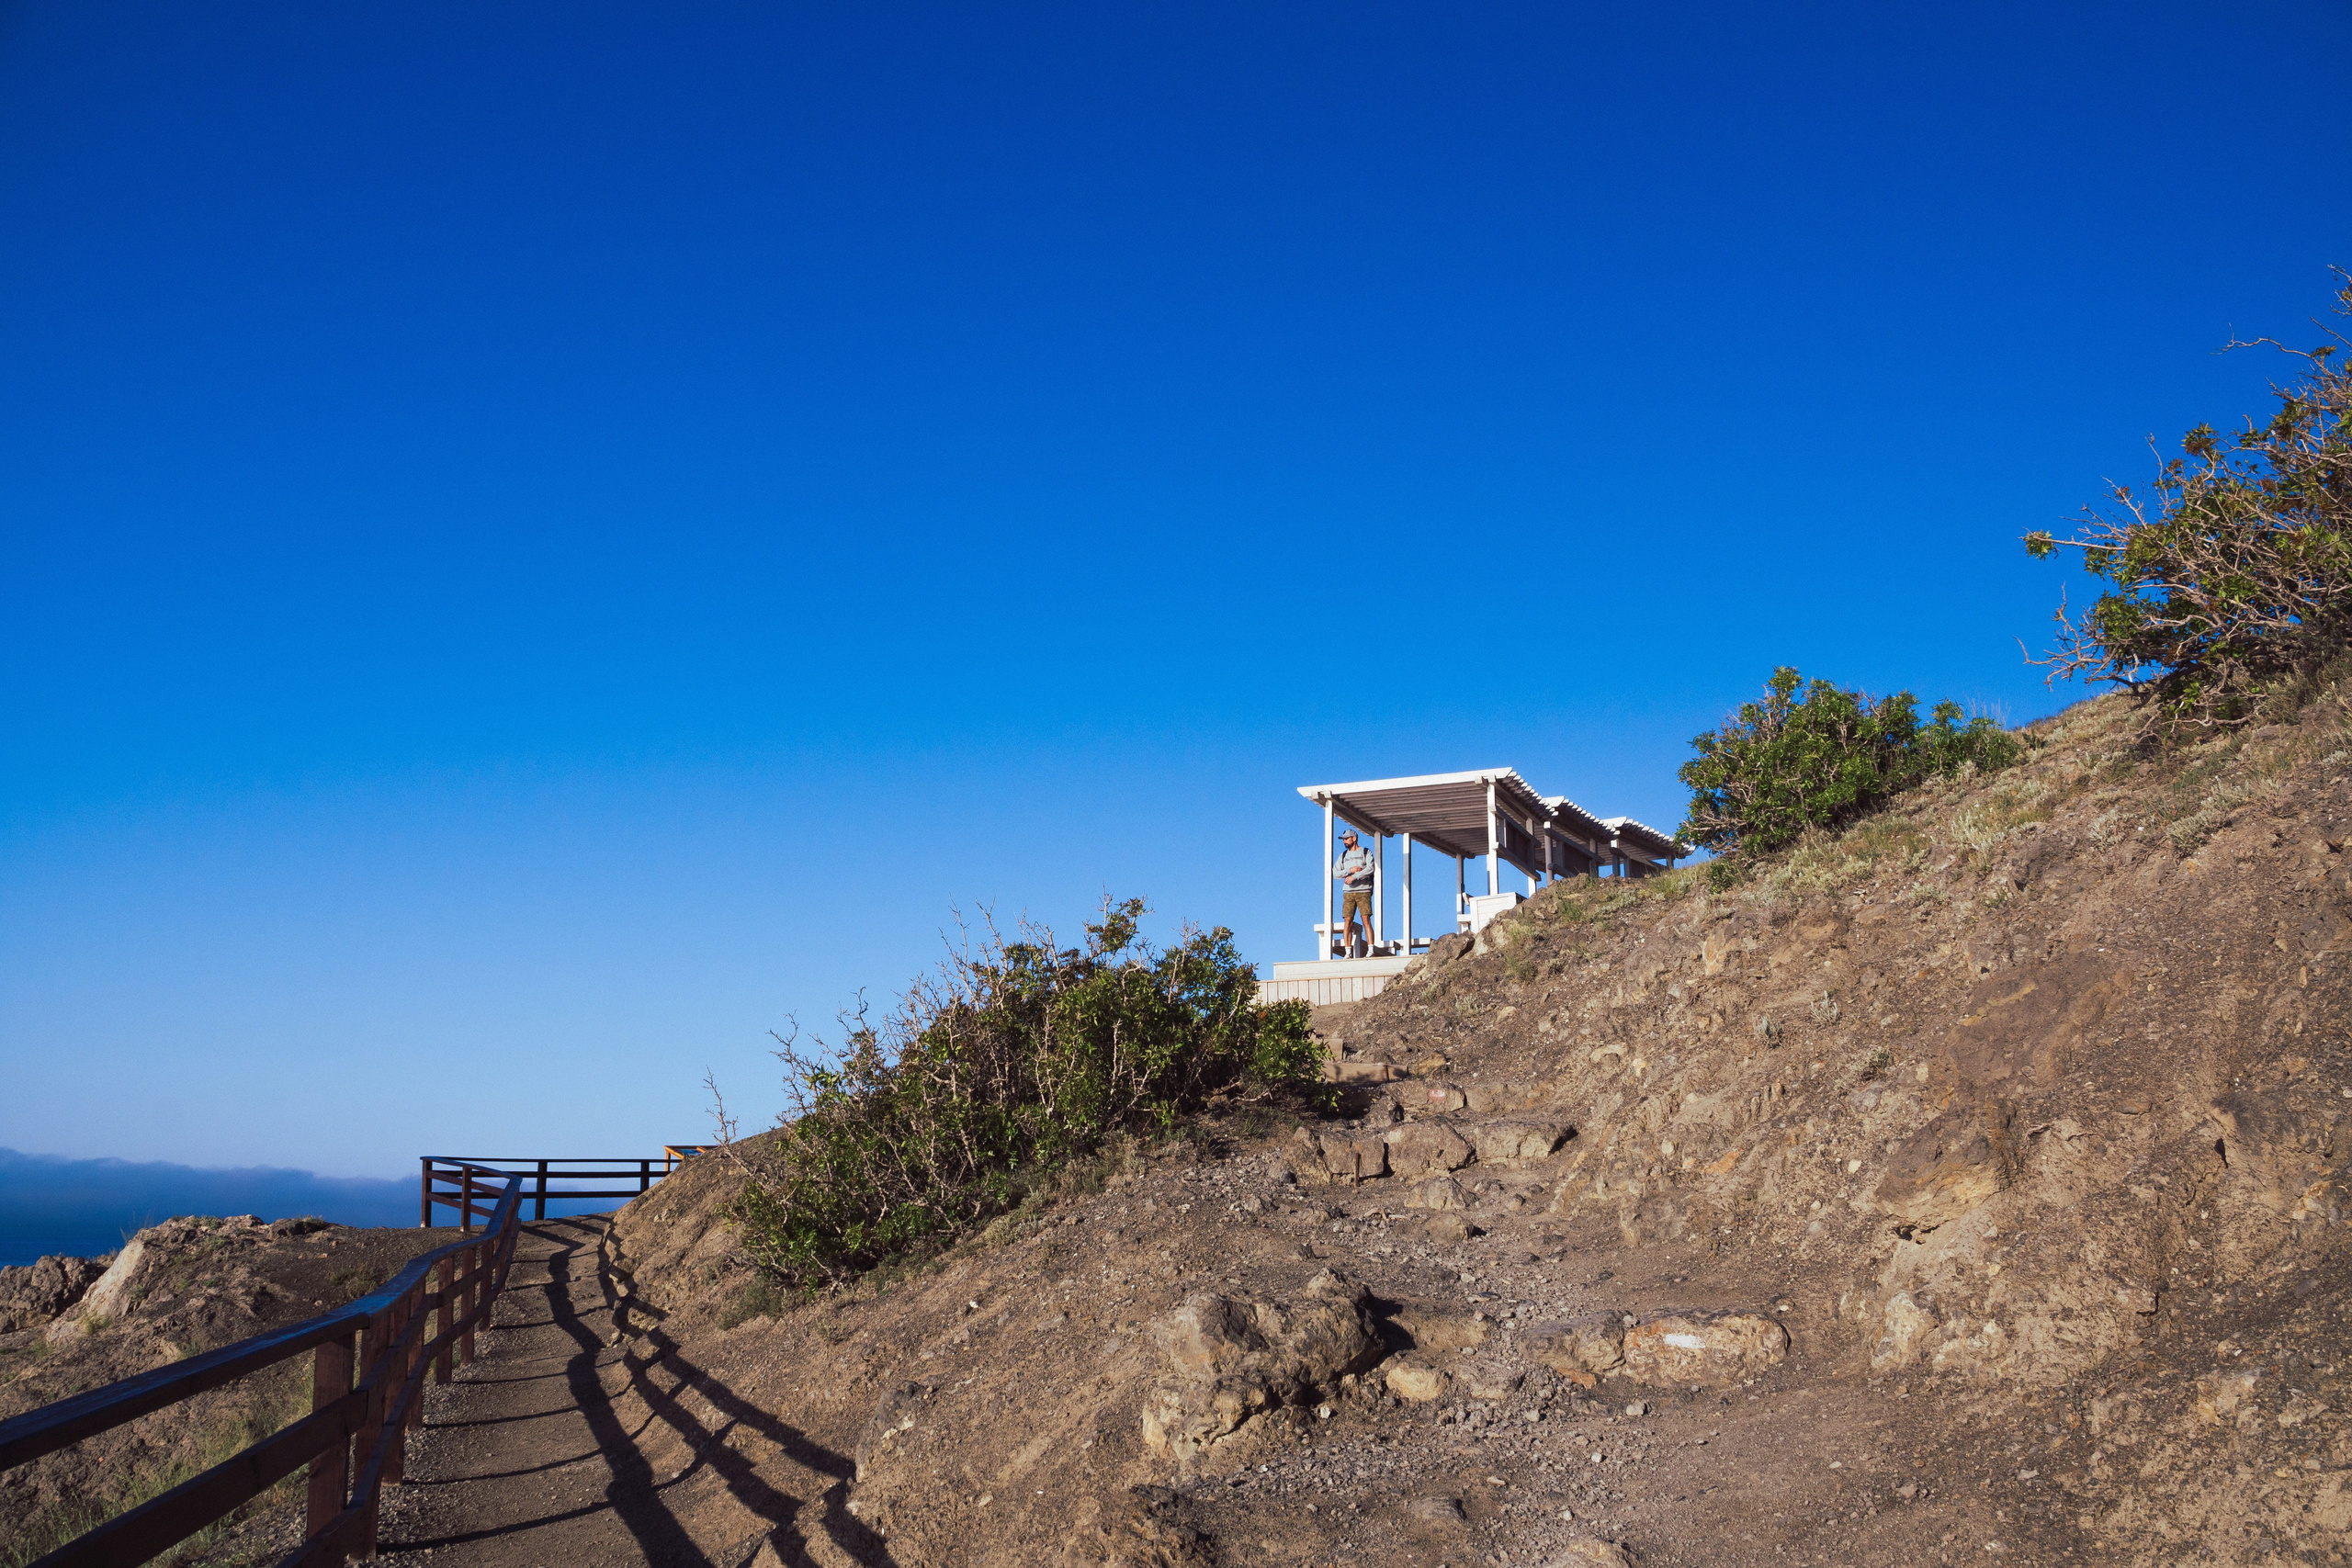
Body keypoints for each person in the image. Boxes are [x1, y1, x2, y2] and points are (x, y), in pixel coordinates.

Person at [1334, 829, 1375, 955]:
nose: (1345, 841)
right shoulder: (1343, 856)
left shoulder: (1365, 852)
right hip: (1348, 892)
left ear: (1354, 838)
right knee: (1347, 920)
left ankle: (1371, 949)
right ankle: (1348, 952)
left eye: (1347, 838)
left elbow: (1371, 868)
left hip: (1363, 890)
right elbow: (1336, 873)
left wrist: (1355, 876)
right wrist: (1350, 870)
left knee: (1365, 919)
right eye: (1344, 839)